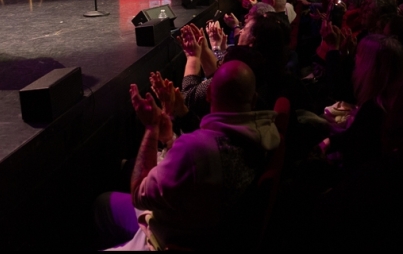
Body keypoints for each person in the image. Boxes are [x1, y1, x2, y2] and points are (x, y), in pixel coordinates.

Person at [102, 61, 280, 250]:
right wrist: (170, 139)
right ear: (253, 100)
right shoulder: (267, 136)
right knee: (103, 204)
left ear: (209, 94)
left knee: (103, 208)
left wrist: (151, 127)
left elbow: (138, 193)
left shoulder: (196, 149)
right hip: (206, 229)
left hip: (169, 240)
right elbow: (190, 175)